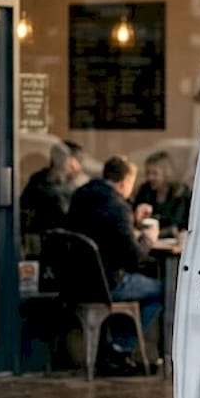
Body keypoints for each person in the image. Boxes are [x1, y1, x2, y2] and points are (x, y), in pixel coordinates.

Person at [67, 155, 162, 372]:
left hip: (77, 281)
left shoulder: (81, 196)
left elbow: (104, 232)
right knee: (162, 290)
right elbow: (133, 257)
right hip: (106, 284)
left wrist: (131, 220)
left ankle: (116, 348)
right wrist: (149, 237)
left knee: (135, 285)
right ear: (124, 182)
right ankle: (120, 349)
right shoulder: (118, 207)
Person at [21, 140, 86, 238]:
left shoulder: (39, 179)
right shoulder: (61, 187)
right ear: (69, 160)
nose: (79, 166)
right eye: (79, 160)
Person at [133, 150, 192, 236]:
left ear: (167, 174)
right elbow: (136, 221)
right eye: (148, 173)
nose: (150, 178)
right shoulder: (145, 190)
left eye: (155, 174)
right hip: (148, 244)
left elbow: (177, 225)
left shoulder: (181, 193)